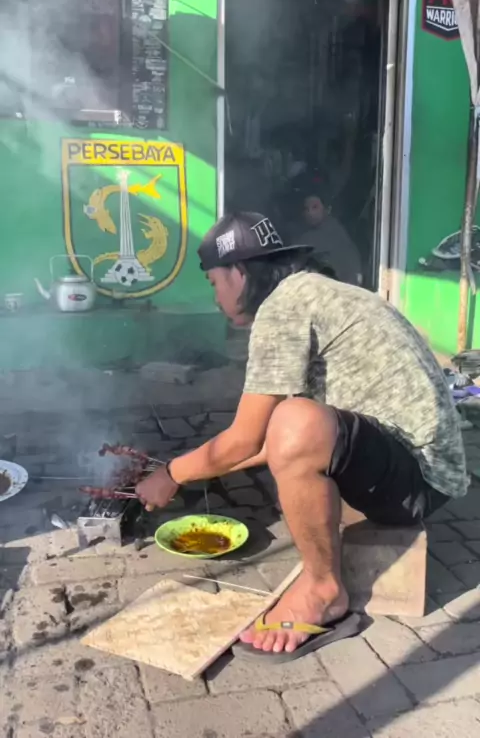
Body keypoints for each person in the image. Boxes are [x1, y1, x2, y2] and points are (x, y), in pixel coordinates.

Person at [136, 211, 468, 662]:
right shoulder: (313, 292)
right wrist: (189, 470)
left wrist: (172, 474)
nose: (215, 298)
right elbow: (265, 442)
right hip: (412, 466)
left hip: (417, 482)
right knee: (290, 423)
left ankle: (324, 591)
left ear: (238, 272)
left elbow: (251, 438)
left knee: (294, 420)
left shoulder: (283, 307)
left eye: (214, 283)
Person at [298, 186, 363, 285]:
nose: (310, 213)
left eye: (315, 207)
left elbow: (352, 275)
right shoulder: (303, 238)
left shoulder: (339, 237)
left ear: (327, 209)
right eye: (306, 209)